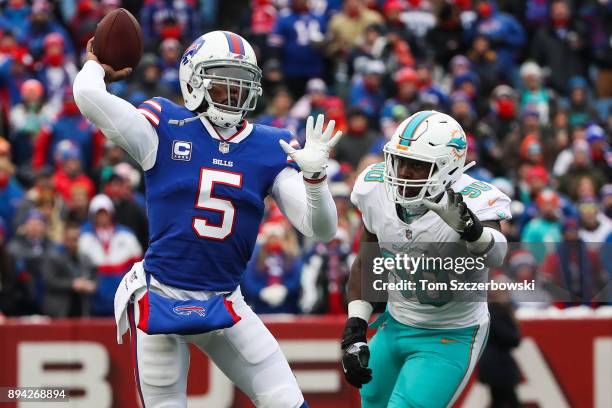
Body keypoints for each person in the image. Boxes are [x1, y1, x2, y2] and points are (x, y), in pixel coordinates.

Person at [73, 30, 341, 408]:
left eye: (242, 84)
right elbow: (88, 96)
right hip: (161, 295)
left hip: (226, 299)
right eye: (222, 83)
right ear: (193, 80)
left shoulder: (270, 144)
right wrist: (95, 65)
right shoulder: (164, 125)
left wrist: (315, 181)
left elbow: (321, 228)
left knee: (287, 401)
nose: (234, 94)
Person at [340, 110, 511, 407]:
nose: (403, 173)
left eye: (417, 166)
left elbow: (497, 254)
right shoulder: (374, 188)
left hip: (451, 334)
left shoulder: (472, 199)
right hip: (395, 323)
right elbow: (368, 263)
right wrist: (355, 327)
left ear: (448, 168)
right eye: (399, 161)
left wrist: (472, 231)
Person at [41, 222, 97, 317]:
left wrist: (90, 285)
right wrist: (72, 284)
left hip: (81, 309)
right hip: (59, 310)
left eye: (75, 239)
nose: (73, 243)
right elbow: (49, 281)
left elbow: (94, 278)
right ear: (64, 239)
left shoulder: (85, 258)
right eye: (70, 239)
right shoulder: (53, 257)